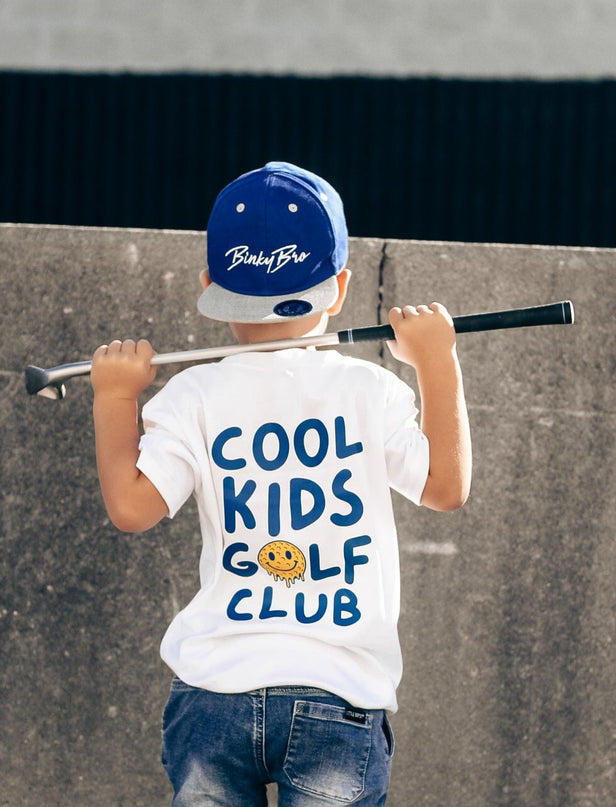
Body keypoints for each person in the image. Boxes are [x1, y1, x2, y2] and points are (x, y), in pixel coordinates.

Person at [90, 161, 471, 806]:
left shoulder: (192, 394)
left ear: (210, 282)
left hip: (213, 695)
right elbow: (444, 486)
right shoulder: (367, 388)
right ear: (341, 286)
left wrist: (114, 398)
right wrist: (438, 360)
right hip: (338, 695)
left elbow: (131, 507)